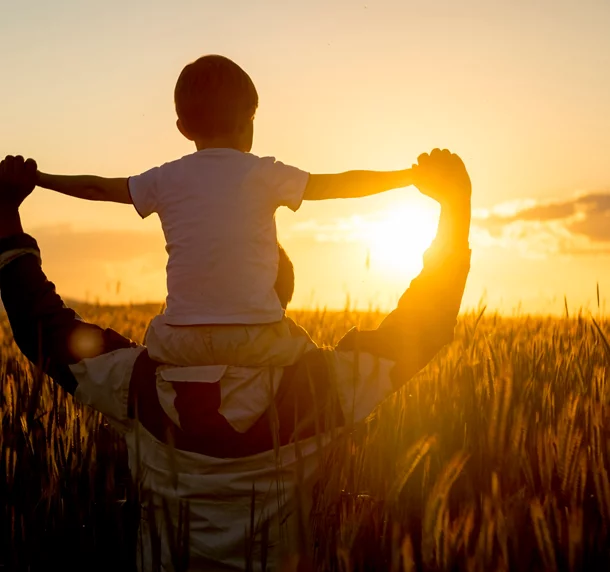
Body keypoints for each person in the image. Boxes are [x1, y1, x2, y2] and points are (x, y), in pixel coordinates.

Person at [0, 148, 472, 572]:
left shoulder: (138, 385)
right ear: (279, 298)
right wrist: (454, 210)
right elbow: (424, 326)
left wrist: (5, 212)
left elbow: (42, 329)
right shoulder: (320, 389)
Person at [30, 54, 422, 374]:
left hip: (177, 341)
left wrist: (39, 178)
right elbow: (338, 184)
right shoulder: (263, 172)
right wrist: (408, 177)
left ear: (183, 128)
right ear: (248, 119)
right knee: (317, 368)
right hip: (257, 338)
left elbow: (97, 187)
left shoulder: (165, 178)